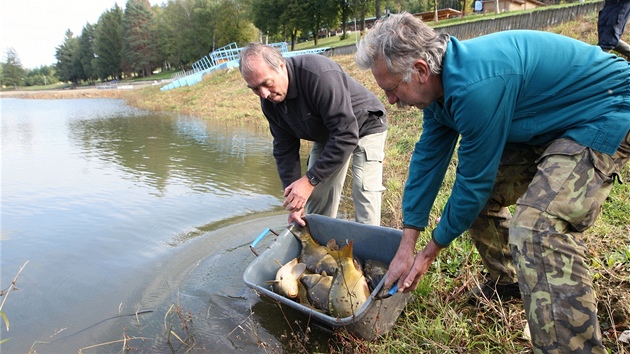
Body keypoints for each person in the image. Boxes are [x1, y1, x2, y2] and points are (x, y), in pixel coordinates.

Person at [355, 12, 630, 353]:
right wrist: (406, 243)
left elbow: (473, 184)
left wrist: (428, 254)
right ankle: (510, 281)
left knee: (536, 227)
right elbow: (428, 159)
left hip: (608, 109)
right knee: (478, 207)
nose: (391, 101)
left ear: (421, 71)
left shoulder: (475, 88)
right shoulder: (441, 87)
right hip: (550, 123)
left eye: (392, 89)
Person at [239, 43, 388, 226]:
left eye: (266, 83)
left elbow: (346, 134)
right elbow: (285, 148)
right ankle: (317, 247)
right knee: (316, 197)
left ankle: (367, 252)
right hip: (328, 135)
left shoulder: (318, 74)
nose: (263, 94)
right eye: (255, 89)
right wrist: (295, 201)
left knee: (364, 192)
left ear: (281, 66)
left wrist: (310, 179)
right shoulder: (269, 102)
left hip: (365, 124)